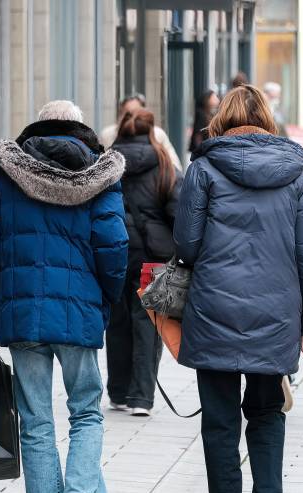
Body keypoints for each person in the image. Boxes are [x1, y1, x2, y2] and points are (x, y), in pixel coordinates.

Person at [0, 100, 128, 493]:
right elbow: (115, 247)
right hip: (78, 315)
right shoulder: (101, 176)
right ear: (80, 129)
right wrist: (107, 300)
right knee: (87, 413)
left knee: (36, 424)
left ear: (37, 125)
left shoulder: (6, 176)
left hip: (21, 318)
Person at [174, 84, 303, 493]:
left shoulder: (203, 170)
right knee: (265, 415)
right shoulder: (294, 174)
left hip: (214, 311)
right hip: (275, 314)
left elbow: (187, 245)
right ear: (266, 118)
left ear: (221, 119)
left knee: (220, 427)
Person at [106, 109, 182, 415]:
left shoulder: (106, 162)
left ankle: (118, 392)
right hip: (154, 256)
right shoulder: (164, 162)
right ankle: (141, 398)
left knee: (117, 322)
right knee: (149, 323)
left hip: (114, 252)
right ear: (153, 131)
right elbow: (178, 212)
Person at [99, 94, 181, 169]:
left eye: (137, 113)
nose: (133, 118)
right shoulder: (107, 135)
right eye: (128, 114)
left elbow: (174, 164)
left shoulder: (158, 134)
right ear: (120, 115)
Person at [189, 90, 220, 155]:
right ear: (207, 99)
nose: (217, 100)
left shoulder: (210, 114)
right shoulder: (201, 115)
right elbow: (198, 135)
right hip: (202, 151)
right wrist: (200, 151)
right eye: (214, 97)